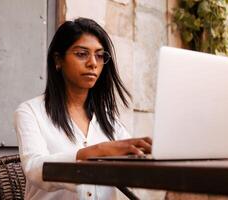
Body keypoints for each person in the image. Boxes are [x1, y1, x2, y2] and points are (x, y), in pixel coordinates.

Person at [14, 17, 152, 200]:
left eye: (100, 55)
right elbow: (35, 168)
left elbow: (131, 169)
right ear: (58, 60)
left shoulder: (108, 120)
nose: (93, 63)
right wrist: (97, 151)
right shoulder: (30, 112)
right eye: (81, 54)